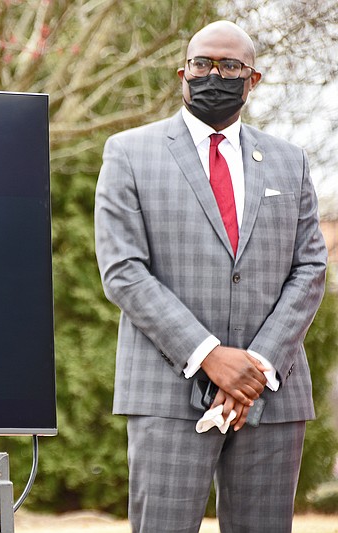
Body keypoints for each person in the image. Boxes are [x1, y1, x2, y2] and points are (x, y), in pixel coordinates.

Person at [94, 20, 328, 533]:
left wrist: (257, 366)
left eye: (230, 66)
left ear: (254, 79)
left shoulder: (291, 162)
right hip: (167, 392)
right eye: (202, 64)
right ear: (183, 72)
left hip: (271, 394)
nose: (214, 75)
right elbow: (123, 271)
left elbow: (310, 267)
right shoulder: (129, 153)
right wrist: (209, 357)